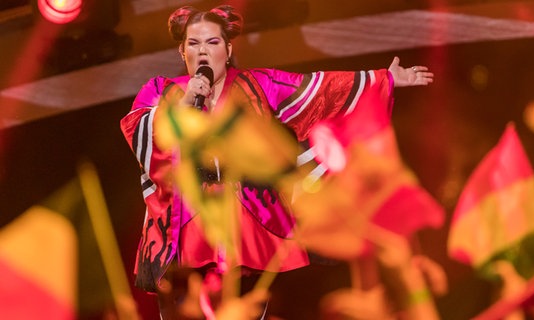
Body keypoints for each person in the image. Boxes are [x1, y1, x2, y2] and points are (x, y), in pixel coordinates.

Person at [119, 4, 433, 318]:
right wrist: (182, 106)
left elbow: (319, 90)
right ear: (182, 50)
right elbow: (142, 137)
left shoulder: (258, 84)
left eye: (212, 42)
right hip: (184, 236)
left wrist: (383, 79)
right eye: (194, 43)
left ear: (227, 49)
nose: (203, 51)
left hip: (245, 234)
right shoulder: (161, 91)